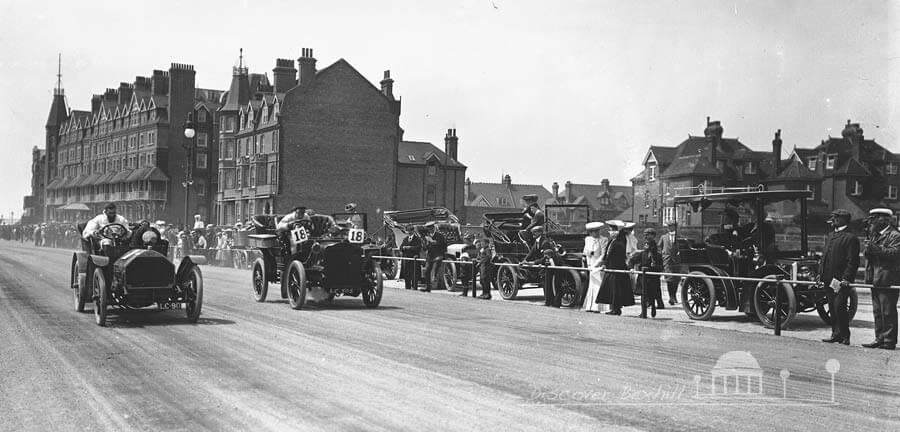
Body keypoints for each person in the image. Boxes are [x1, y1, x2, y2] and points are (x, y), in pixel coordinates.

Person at [819, 209, 860, 346]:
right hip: (829, 278)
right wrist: (821, 273)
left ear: (843, 220)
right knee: (832, 306)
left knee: (839, 307)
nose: (833, 220)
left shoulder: (850, 237)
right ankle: (835, 334)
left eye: (836, 218)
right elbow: (825, 256)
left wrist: (847, 278)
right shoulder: (831, 235)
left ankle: (844, 335)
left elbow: (852, 261)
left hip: (840, 280)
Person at [862, 208, 900, 350]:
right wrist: (868, 250)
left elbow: (894, 254)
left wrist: (875, 248)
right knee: (878, 311)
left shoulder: (895, 235)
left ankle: (889, 341)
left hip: (888, 279)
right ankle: (880, 338)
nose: (871, 221)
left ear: (884, 219)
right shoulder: (874, 235)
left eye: (874, 218)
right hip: (875, 278)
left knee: (887, 311)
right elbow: (870, 256)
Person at [596, 220, 635, 315]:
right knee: (611, 289)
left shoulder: (619, 242)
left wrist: (606, 263)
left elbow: (615, 256)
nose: (610, 232)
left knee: (616, 290)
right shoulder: (612, 241)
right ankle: (613, 308)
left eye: (613, 230)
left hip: (616, 268)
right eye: (610, 230)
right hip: (610, 268)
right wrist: (604, 262)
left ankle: (616, 309)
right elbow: (607, 253)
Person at [628, 227, 664, 318]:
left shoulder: (657, 254)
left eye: (648, 235)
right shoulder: (643, 254)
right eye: (646, 244)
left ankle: (653, 308)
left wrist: (655, 266)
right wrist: (631, 268)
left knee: (652, 295)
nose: (646, 245)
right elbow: (632, 260)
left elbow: (660, 266)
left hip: (652, 278)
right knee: (643, 296)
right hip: (643, 278)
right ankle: (643, 312)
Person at [520, 225, 560, 307]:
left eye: (535, 232)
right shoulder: (537, 241)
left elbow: (545, 257)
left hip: (548, 265)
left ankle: (550, 302)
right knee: (545, 283)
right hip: (543, 266)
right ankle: (548, 301)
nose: (533, 234)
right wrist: (524, 260)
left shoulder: (544, 242)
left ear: (540, 232)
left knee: (548, 284)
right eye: (532, 232)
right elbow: (531, 252)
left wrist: (533, 262)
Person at [582, 221, 608, 313]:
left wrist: (595, 265)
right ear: (590, 232)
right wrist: (589, 264)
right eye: (593, 231)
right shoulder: (588, 239)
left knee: (598, 285)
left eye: (597, 231)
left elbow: (603, 254)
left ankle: (597, 307)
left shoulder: (603, 240)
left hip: (598, 265)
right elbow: (585, 252)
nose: (596, 233)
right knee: (591, 286)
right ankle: (589, 306)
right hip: (591, 264)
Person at [659, 219, 681, 306]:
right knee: (669, 278)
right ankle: (671, 297)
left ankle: (674, 295)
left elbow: (682, 247)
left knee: (676, 278)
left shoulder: (679, 237)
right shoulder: (664, 237)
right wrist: (663, 254)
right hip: (667, 260)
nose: (669, 228)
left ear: (675, 227)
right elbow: (659, 247)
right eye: (668, 226)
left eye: (670, 226)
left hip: (677, 260)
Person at [422, 221, 447, 292]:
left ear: (433, 228)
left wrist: (432, 241)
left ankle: (434, 280)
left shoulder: (439, 236)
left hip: (438, 255)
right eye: (429, 229)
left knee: (435, 268)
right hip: (430, 256)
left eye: (431, 228)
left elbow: (443, 245)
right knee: (427, 271)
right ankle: (427, 287)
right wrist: (426, 244)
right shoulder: (427, 236)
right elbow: (425, 248)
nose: (430, 230)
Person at [458, 233, 480, 297]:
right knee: (464, 277)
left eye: (467, 239)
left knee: (464, 277)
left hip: (469, 265)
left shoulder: (466, 248)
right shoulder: (473, 247)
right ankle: (465, 292)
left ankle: (465, 292)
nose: (466, 241)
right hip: (471, 265)